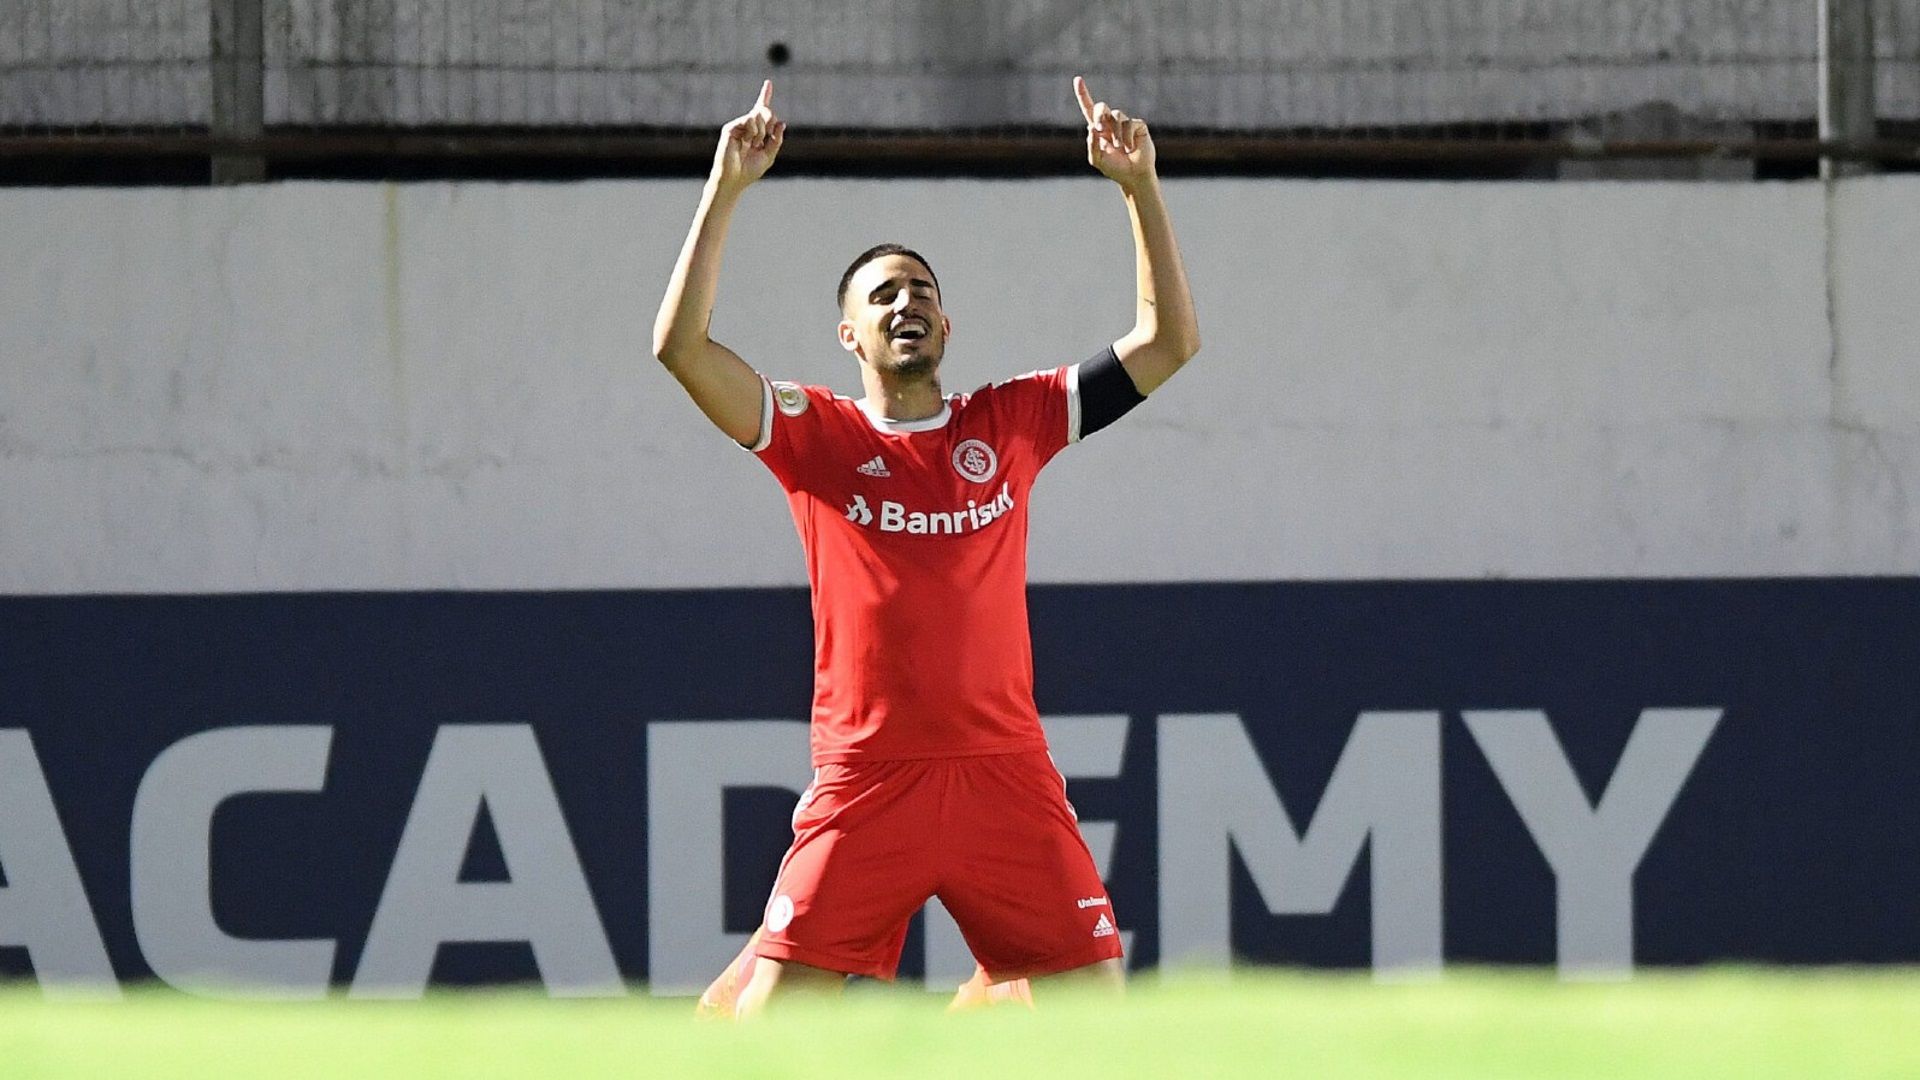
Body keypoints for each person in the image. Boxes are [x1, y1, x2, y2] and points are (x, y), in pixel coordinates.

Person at [652, 76, 1198, 1018]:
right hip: (867, 779)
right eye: (883, 294)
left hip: (1004, 774)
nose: (906, 302)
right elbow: (681, 349)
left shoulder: (1013, 419)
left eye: (922, 293)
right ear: (849, 334)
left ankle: (983, 1007)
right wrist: (724, 188)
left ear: (946, 327)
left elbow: (1168, 342)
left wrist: (1139, 186)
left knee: (1099, 1029)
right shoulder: (814, 434)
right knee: (768, 1032)